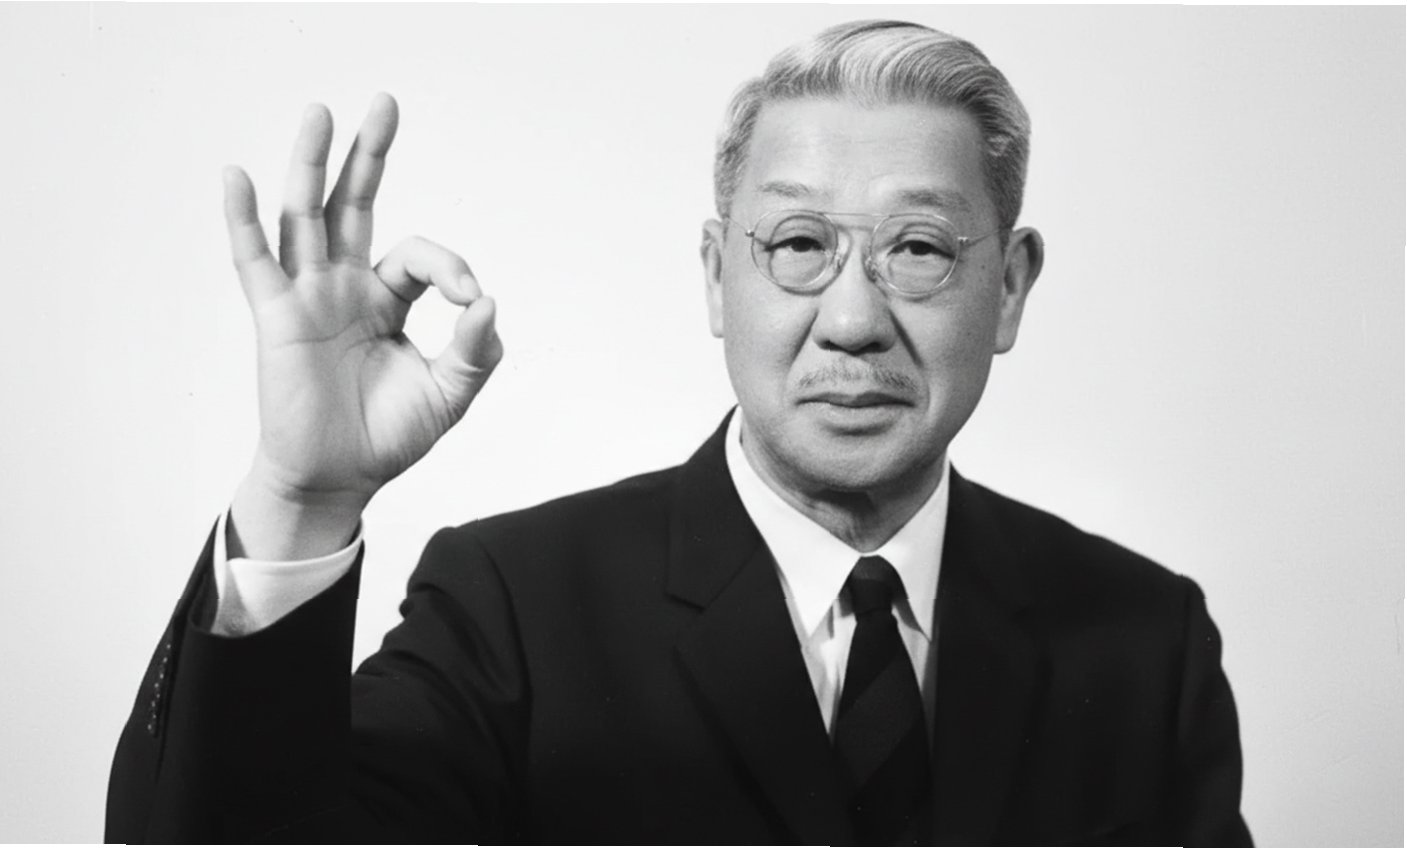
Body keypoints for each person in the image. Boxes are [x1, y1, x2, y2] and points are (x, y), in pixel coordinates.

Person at [107, 19, 1250, 845]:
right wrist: (301, 499)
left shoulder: (1147, 643)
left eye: (918, 248)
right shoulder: (513, 606)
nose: (853, 320)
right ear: (716, 276)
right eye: (798, 245)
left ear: (1008, 288)